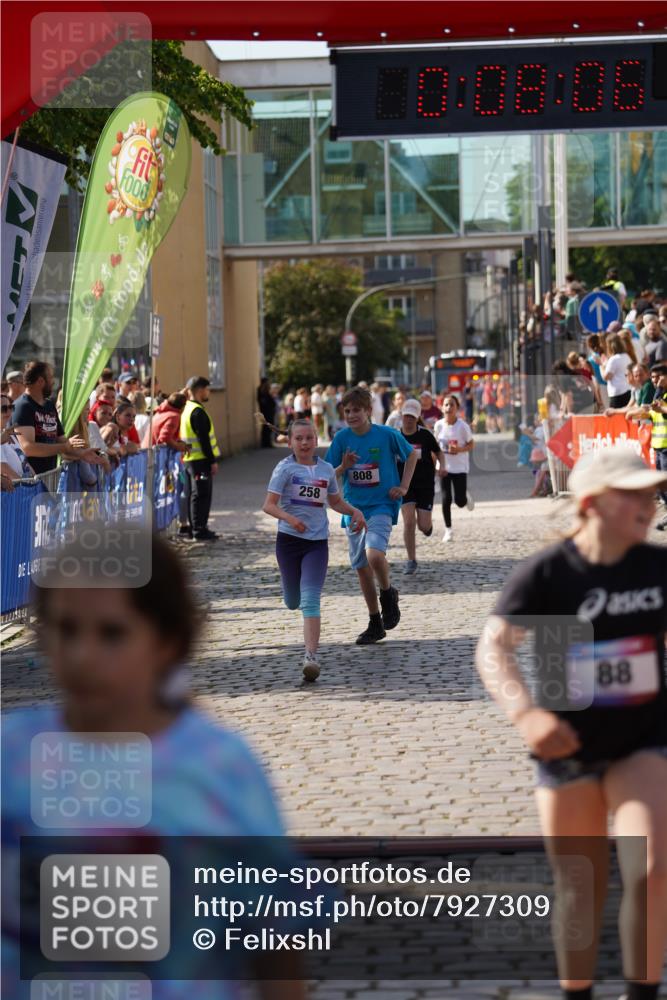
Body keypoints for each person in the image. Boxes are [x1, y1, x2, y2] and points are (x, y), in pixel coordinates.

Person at [2, 528, 305, 999]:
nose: (82, 656)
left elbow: (276, 939)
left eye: (112, 634)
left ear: (166, 641)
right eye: (65, 630)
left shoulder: (218, 768)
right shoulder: (11, 755)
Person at [475, 446, 667, 1000]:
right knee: (580, 888)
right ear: (591, 503)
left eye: (651, 493)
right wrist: (527, 714)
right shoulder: (550, 574)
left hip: (644, 740)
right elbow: (494, 650)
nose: (648, 503)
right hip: (568, 743)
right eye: (632, 493)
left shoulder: (656, 567)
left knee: (651, 870)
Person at [263, 419, 366, 680]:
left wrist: (354, 510)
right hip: (288, 542)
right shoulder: (284, 469)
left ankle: (310, 657)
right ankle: (290, 596)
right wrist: (290, 519)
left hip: (317, 543)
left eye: (309, 437)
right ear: (290, 443)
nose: (305, 443)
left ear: (316, 440)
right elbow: (269, 505)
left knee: (310, 599)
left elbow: (335, 502)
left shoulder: (326, 470)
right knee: (293, 601)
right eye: (299, 438)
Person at [326, 385, 417, 645]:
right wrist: (344, 466)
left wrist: (404, 487)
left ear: (368, 411)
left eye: (356, 410)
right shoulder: (342, 439)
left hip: (381, 505)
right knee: (362, 569)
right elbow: (328, 474)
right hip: (354, 509)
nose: (352, 415)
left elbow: (411, 456)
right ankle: (375, 622)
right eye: (347, 411)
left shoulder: (386, 435)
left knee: (374, 554)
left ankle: (388, 594)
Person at [11, 361, 98, 474]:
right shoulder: (22, 406)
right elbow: (28, 448)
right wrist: (64, 447)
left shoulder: (49, 405)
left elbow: (62, 441)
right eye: (51, 378)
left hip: (50, 478)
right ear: (41, 381)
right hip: (29, 483)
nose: (53, 382)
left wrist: (82, 454)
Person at [398, 398, 444, 575]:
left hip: (425, 484)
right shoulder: (396, 436)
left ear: (417, 418)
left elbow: (438, 452)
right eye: (406, 416)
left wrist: (442, 466)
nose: (408, 419)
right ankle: (411, 560)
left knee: (423, 526)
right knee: (409, 521)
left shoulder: (425, 435)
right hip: (405, 485)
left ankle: (428, 527)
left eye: (412, 416)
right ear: (402, 415)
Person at [180, 375, 221, 542]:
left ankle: (197, 527)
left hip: (191, 460)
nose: (209, 392)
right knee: (201, 495)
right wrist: (212, 461)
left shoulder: (187, 408)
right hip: (200, 460)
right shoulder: (197, 412)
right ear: (199, 390)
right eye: (207, 389)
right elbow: (204, 440)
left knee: (194, 494)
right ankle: (199, 529)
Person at [627, 363, 667, 530]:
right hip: (658, 447)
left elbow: (662, 409)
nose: (655, 381)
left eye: (658, 377)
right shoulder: (658, 395)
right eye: (652, 378)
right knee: (660, 489)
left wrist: (661, 408)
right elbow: (650, 412)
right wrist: (633, 413)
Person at [433, 395, 475, 542]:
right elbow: (435, 447)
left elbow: (471, 444)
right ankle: (448, 530)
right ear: (442, 408)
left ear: (457, 408)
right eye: (446, 405)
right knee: (446, 498)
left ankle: (464, 495)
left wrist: (459, 449)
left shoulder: (462, 426)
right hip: (444, 466)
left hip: (460, 467)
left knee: (460, 501)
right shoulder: (438, 425)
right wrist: (434, 464)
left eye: (452, 405)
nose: (449, 408)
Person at [0, 392, 32, 486]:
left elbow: (24, 462)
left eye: (10, 407)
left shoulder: (11, 434)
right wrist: (24, 485)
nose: (9, 412)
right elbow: (3, 467)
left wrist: (35, 480)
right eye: (3, 409)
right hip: (12, 494)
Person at [601, 334, 632, 409]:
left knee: (616, 418)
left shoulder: (614, 359)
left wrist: (601, 366)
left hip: (617, 392)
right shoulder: (627, 356)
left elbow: (606, 377)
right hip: (627, 389)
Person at [257, 377, 277, 448]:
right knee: (266, 427)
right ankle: (266, 443)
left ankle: (267, 442)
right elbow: (264, 402)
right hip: (266, 412)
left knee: (268, 427)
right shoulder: (262, 390)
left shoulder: (265, 391)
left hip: (268, 412)